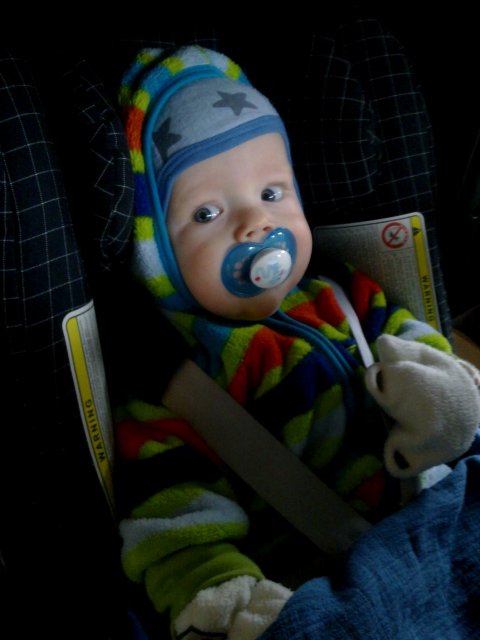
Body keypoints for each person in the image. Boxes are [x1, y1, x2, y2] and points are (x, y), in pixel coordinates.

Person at [115, 45, 480, 640]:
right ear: (157, 252)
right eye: (206, 213)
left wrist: (442, 397)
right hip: (322, 576)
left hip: (432, 505)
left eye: (271, 193)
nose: (256, 224)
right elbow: (176, 519)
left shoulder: (342, 294)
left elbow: (414, 342)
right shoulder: (176, 382)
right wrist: (227, 596)